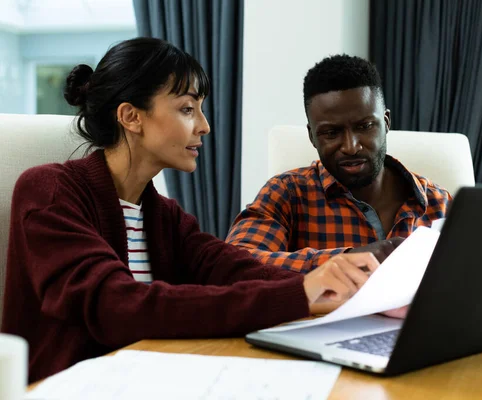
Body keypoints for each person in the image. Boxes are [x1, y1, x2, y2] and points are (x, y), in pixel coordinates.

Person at [0, 39, 381, 382]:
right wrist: (300, 292)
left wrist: (341, 285)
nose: (205, 125)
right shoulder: (48, 191)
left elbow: (237, 270)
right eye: (187, 109)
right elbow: (118, 308)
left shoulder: (165, 216)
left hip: (148, 379)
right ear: (131, 116)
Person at [226, 55, 452, 273]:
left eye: (364, 126)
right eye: (331, 132)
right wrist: (344, 262)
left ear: (386, 122)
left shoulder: (440, 204)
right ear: (312, 136)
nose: (351, 146)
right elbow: (233, 265)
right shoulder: (286, 193)